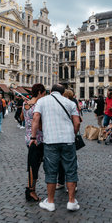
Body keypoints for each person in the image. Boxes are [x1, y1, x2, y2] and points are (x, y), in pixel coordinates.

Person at [30, 84, 81, 212]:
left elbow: (35, 118)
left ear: (51, 91)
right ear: (63, 93)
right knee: (70, 169)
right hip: (68, 140)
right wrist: (72, 134)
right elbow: (77, 122)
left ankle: (51, 202)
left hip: (51, 140)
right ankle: (71, 201)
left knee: (51, 171)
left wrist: (33, 137)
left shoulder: (42, 101)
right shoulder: (70, 103)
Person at [24, 84, 46, 202]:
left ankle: (31, 189)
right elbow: (39, 123)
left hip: (28, 137)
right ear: (39, 92)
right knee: (34, 166)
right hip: (37, 138)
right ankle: (31, 190)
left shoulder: (25, 104)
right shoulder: (38, 105)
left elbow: (23, 118)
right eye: (43, 93)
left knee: (32, 164)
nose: (44, 96)